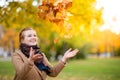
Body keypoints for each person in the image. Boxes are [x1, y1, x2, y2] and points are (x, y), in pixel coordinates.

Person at [12, 27, 79, 80]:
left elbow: (53, 72)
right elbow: (20, 74)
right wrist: (30, 61)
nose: (33, 37)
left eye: (34, 35)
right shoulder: (17, 55)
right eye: (29, 36)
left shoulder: (41, 55)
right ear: (22, 40)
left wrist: (64, 58)